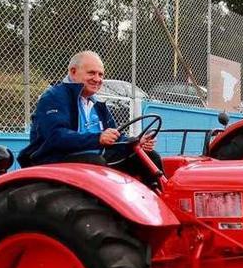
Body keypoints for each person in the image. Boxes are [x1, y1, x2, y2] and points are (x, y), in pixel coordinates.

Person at [18, 50, 163, 182]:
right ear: (73, 72)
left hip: (94, 158)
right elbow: (55, 137)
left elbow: (114, 137)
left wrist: (136, 142)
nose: (97, 79)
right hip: (57, 161)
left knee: (149, 158)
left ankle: (153, 205)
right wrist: (98, 139)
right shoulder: (54, 97)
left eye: (101, 74)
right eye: (91, 73)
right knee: (94, 164)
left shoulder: (97, 104)